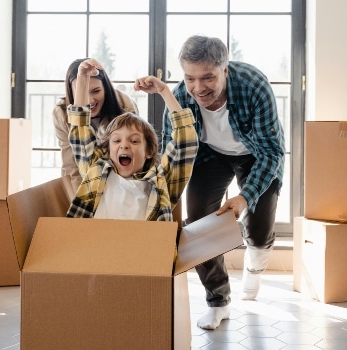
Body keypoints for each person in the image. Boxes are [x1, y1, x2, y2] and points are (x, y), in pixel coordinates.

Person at [160, 35, 285, 330]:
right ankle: (218, 302)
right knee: (199, 223)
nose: (198, 88)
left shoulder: (254, 86)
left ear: (225, 70)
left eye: (208, 77)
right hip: (209, 156)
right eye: (190, 78)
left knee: (258, 229)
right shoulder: (179, 97)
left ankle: (255, 265)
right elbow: (171, 152)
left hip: (256, 154)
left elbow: (272, 152)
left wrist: (244, 198)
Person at [65, 58, 197, 221]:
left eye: (134, 141)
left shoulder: (160, 182)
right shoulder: (96, 172)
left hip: (142, 246)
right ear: (107, 150)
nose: (124, 145)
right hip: (98, 244)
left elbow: (185, 144)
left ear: (149, 151)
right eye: (116, 141)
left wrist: (164, 91)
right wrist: (82, 78)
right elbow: (80, 133)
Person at [53, 58, 139, 191]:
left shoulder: (125, 107)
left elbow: (133, 160)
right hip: (86, 182)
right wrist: (80, 204)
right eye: (80, 91)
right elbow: (71, 167)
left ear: (106, 88)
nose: (89, 100)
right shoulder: (61, 113)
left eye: (96, 91)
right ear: (71, 91)